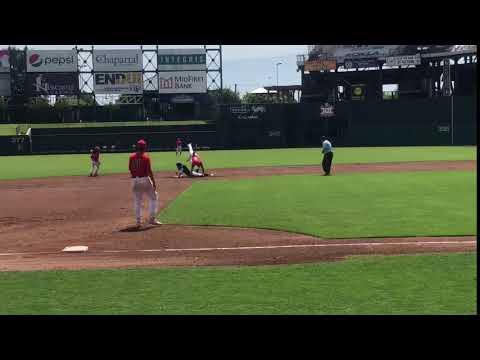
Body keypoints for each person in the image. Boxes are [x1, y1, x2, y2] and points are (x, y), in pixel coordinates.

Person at [129, 139, 162, 228]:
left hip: (134, 180)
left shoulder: (131, 157)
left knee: (137, 201)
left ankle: (138, 222)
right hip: (144, 179)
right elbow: (149, 171)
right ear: (144, 147)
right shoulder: (146, 157)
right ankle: (152, 219)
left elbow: (130, 169)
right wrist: (154, 182)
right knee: (154, 197)